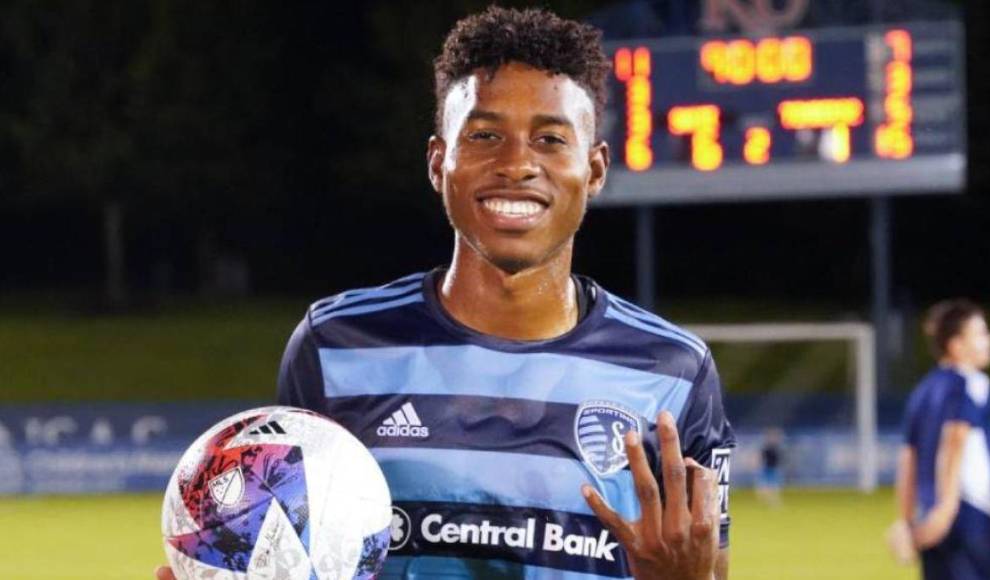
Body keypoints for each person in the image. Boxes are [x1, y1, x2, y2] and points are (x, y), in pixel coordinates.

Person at [159, 6, 735, 579]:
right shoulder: (336, 347)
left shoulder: (675, 372)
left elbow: (710, 569)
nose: (517, 164)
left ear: (595, 169)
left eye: (550, 139)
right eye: (484, 136)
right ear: (439, 164)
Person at [889, 299, 990, 580]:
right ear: (957, 346)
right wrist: (946, 509)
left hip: (930, 513)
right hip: (967, 511)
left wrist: (906, 521)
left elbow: (908, 458)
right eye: (981, 334)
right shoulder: (970, 382)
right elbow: (954, 439)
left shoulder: (922, 391)